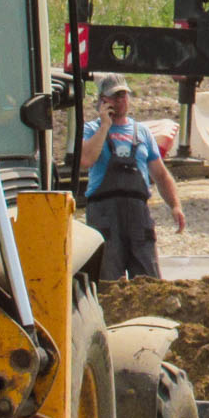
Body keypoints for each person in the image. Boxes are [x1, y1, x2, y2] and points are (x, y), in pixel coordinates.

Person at [79, 73, 186, 280]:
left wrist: (175, 205)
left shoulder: (142, 133)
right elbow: (85, 161)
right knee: (107, 281)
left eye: (123, 95)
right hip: (104, 214)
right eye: (114, 96)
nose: (120, 101)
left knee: (149, 281)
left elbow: (161, 175)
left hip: (138, 214)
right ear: (102, 100)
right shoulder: (91, 130)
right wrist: (104, 126)